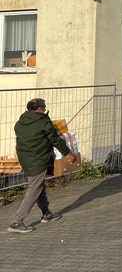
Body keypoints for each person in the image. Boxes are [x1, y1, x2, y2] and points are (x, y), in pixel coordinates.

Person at [8, 98, 77, 233]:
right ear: (39, 108)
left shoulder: (20, 122)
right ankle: (17, 222)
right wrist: (68, 153)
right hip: (38, 159)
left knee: (39, 185)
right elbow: (55, 139)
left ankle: (46, 213)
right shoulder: (43, 121)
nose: (45, 110)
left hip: (25, 158)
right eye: (44, 108)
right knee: (34, 187)